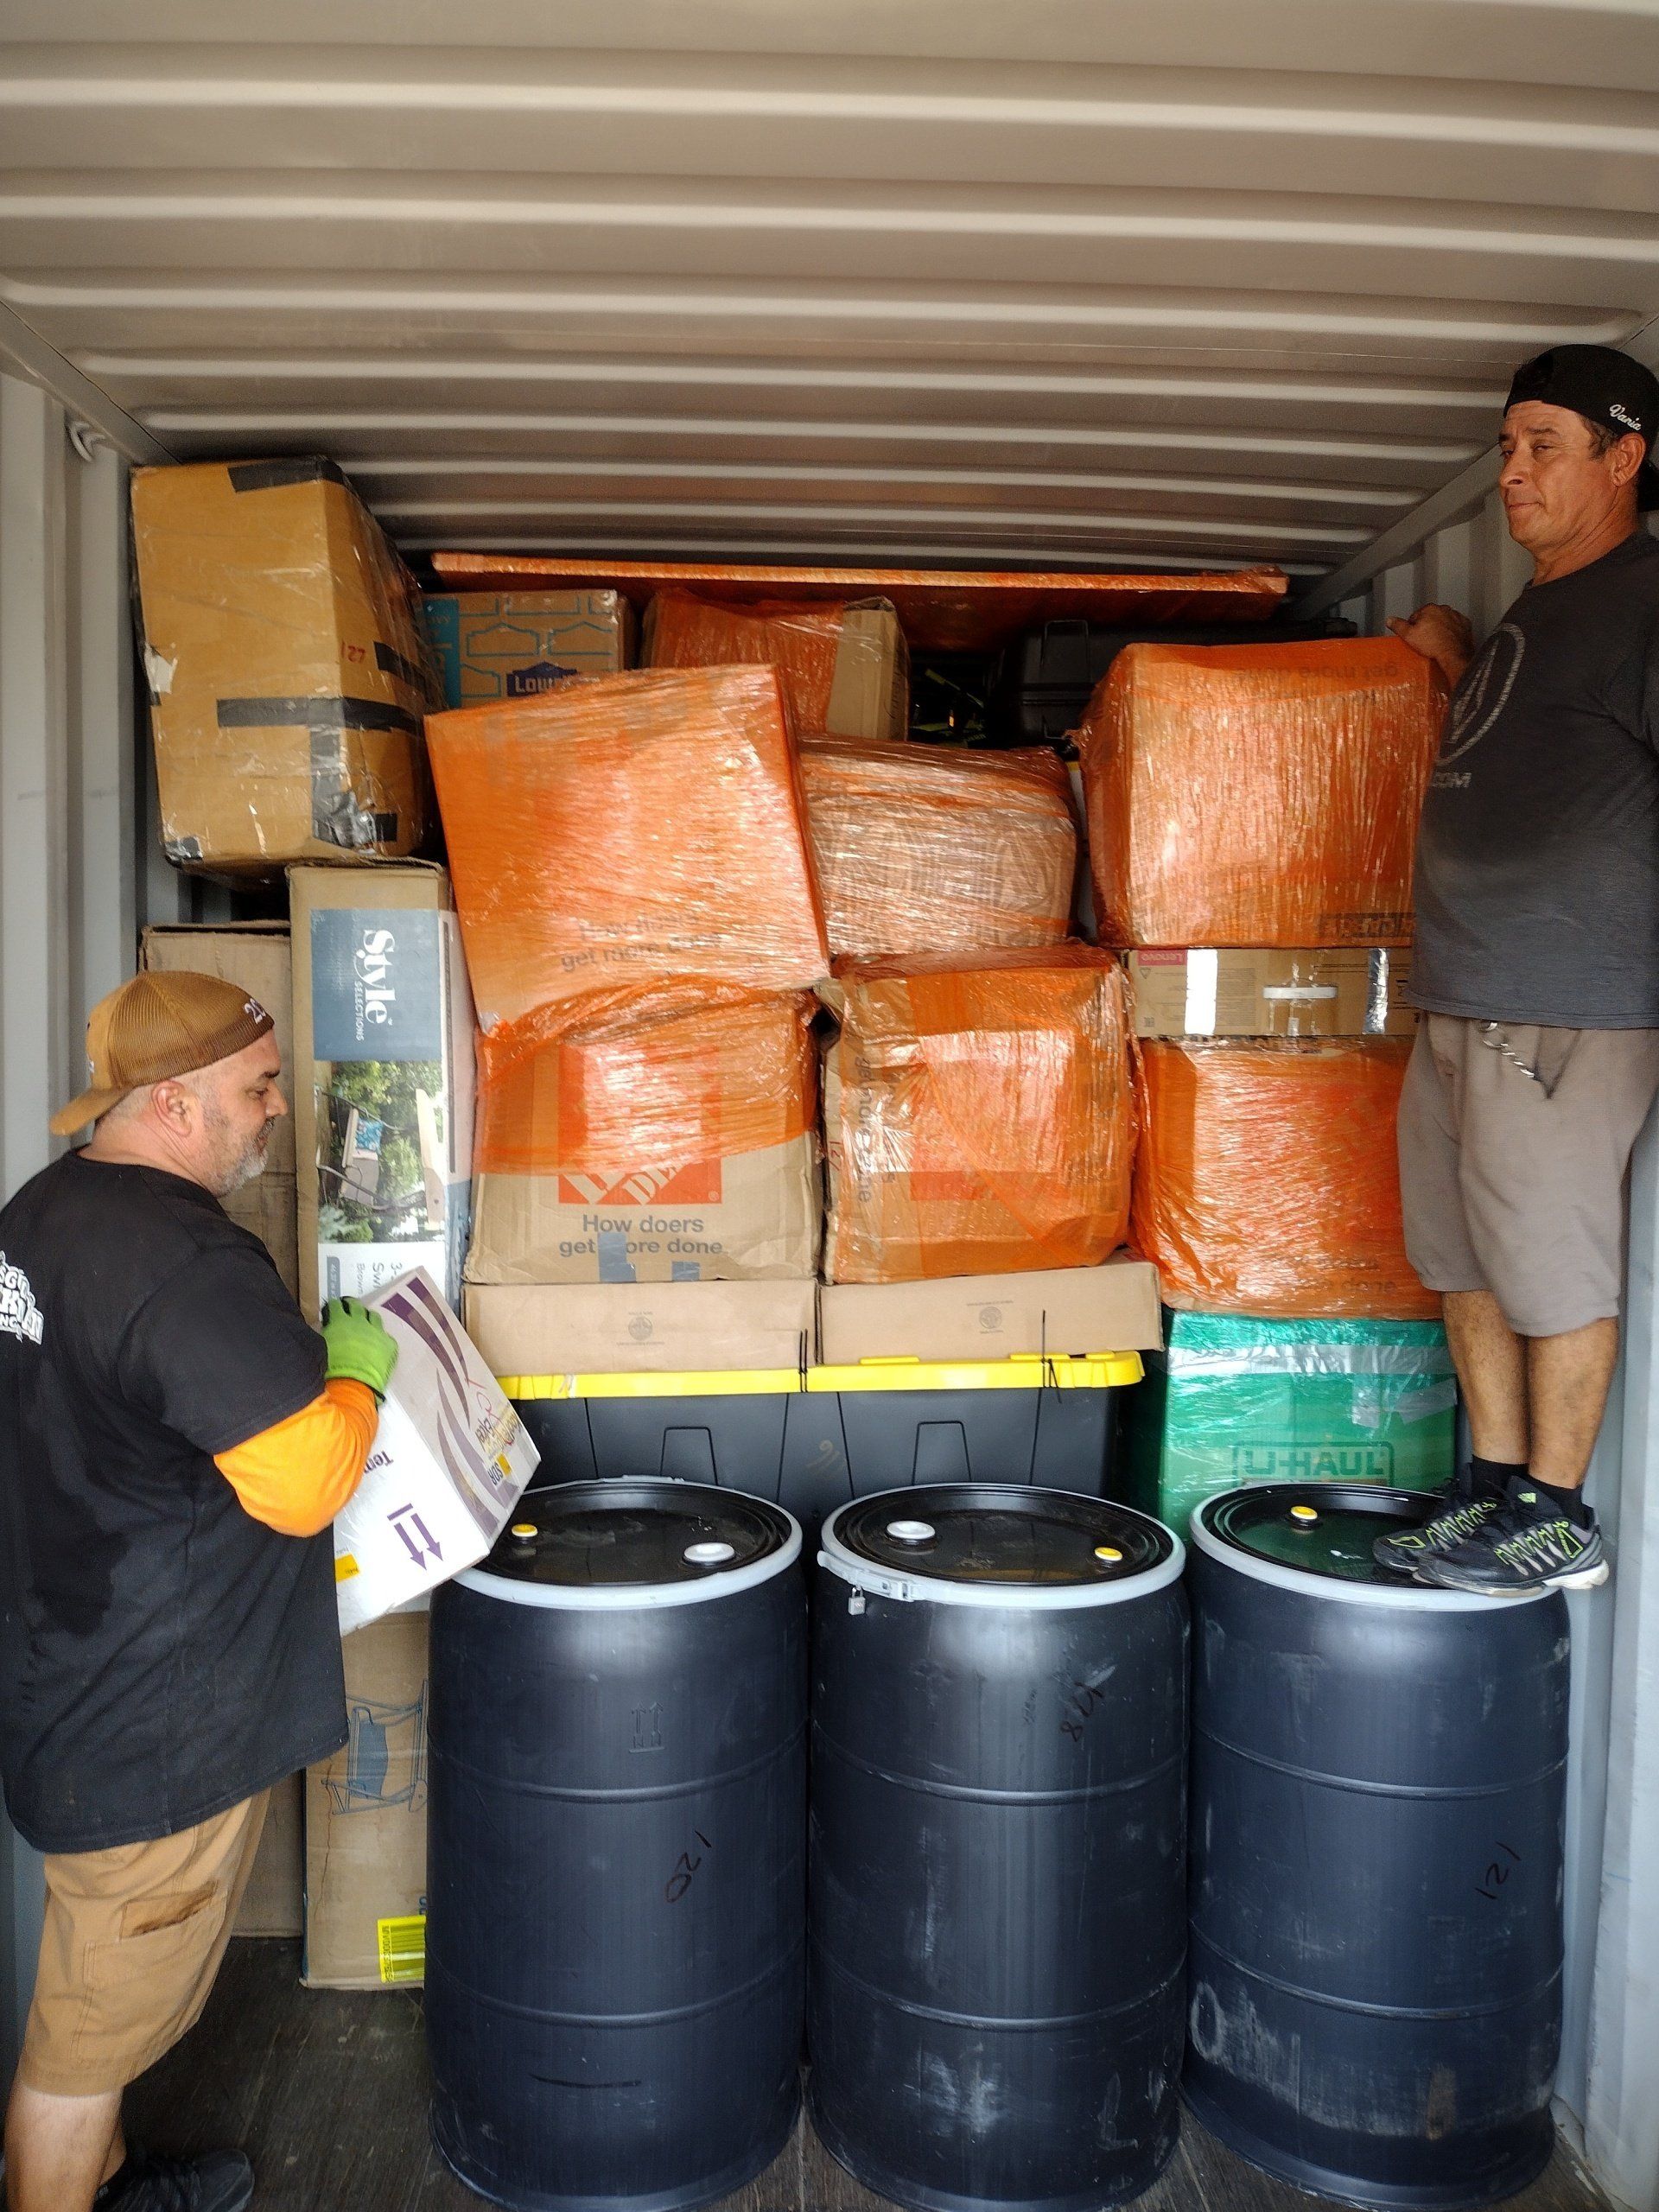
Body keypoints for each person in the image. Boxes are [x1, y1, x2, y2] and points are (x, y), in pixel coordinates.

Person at [0, 971, 399, 2212]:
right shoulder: (180, 1259)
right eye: (257, 1087)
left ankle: (111, 2180)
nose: (276, 1110)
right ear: (174, 1105)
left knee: (100, 1997)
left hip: (67, 1670)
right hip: (148, 1721)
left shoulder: (41, 1214)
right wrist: (359, 1373)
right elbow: (300, 1481)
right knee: (85, 2034)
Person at [1378, 342, 1659, 1595]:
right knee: (1462, 1257)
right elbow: (1530, 749)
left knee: (1548, 1261)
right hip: (1460, 991)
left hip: (1563, 1004)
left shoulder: (1646, 593)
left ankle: (1559, 1516)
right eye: (1505, 448)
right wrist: (1450, 656)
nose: (1512, 474)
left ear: (1627, 455)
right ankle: (1491, 1490)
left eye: (1544, 445)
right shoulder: (1544, 608)